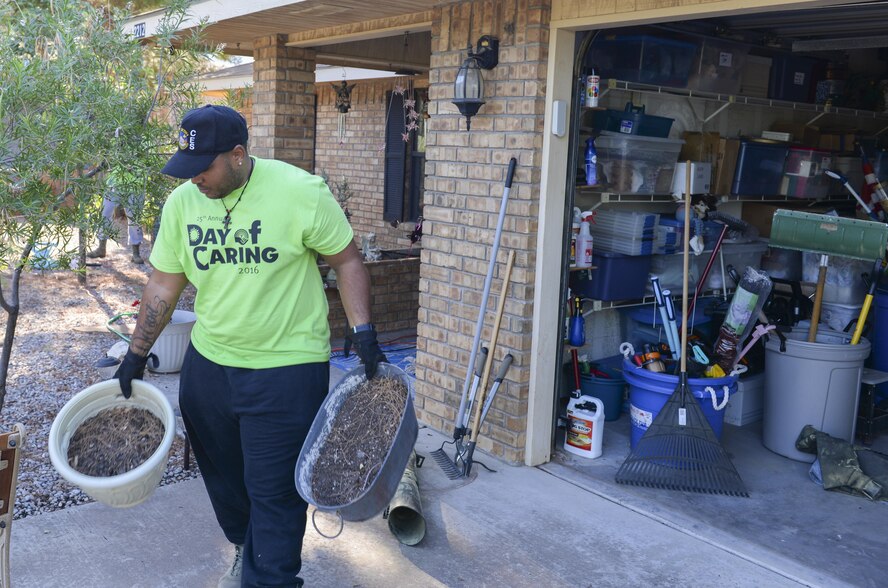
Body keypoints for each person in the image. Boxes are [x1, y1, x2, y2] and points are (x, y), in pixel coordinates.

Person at [113, 105, 387, 587]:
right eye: (188, 167)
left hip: (285, 370)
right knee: (226, 481)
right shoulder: (183, 203)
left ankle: (271, 578)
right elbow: (162, 285)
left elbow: (346, 260)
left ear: (238, 155)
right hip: (210, 367)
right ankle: (248, 548)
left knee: (275, 494)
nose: (195, 178)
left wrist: (363, 332)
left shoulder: (300, 192)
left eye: (204, 167)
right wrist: (136, 354)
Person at [87, 168, 146, 264]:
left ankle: (136, 253)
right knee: (104, 214)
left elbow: (146, 161)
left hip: (135, 185)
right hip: (114, 184)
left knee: (134, 218)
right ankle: (101, 248)